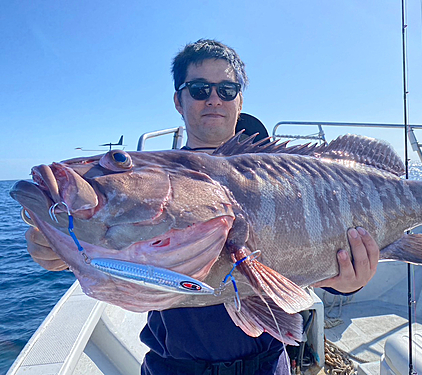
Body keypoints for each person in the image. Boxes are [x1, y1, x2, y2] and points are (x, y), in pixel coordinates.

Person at [24, 39, 380, 375]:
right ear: (179, 101)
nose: (214, 99)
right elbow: (117, 258)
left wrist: (348, 284)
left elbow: (325, 261)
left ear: (240, 101)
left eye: (226, 90)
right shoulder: (159, 176)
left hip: (268, 363)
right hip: (172, 364)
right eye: (199, 89)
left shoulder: (285, 176)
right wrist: (62, 249)